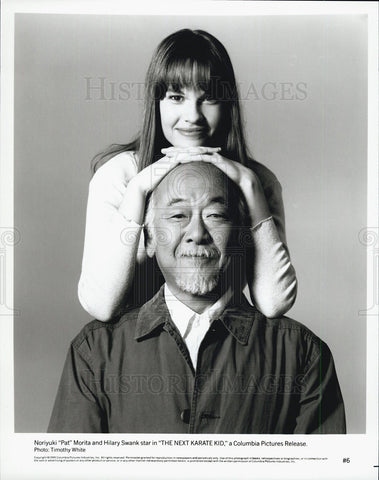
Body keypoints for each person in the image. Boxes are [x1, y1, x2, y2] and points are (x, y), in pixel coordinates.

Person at [49, 162, 345, 434]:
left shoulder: (303, 355)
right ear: (149, 240)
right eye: (178, 215)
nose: (197, 233)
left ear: (243, 238)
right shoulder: (94, 352)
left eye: (215, 215)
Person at [78, 28, 297, 321]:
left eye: (208, 99)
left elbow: (274, 303)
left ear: (227, 104)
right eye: (176, 97)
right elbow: (100, 305)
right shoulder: (120, 175)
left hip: (224, 347)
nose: (192, 115)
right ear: (157, 102)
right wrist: (139, 189)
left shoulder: (256, 181)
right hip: (136, 350)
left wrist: (249, 186)